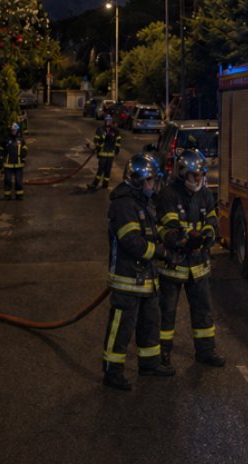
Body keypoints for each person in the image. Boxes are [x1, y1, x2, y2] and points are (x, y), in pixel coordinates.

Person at [101, 153, 175, 391]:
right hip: (127, 280)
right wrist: (159, 252)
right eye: (151, 181)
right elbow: (131, 242)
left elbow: (150, 233)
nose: (153, 186)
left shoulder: (143, 203)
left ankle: (150, 364)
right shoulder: (123, 205)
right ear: (138, 180)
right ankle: (112, 372)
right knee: (121, 328)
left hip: (146, 280)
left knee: (150, 324)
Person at [155, 149, 226, 368]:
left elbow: (212, 223)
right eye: (195, 175)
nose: (199, 179)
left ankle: (205, 352)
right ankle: (162, 355)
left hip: (198, 266)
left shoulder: (205, 194)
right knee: (166, 314)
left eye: (201, 175)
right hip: (173, 266)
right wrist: (184, 239)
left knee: (203, 312)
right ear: (182, 173)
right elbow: (168, 229)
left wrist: (207, 237)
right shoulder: (168, 195)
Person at [88, 115, 121, 192]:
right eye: (107, 121)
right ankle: (94, 184)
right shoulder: (100, 130)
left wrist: (116, 150)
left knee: (108, 170)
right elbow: (96, 140)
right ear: (105, 121)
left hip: (110, 155)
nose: (108, 123)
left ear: (111, 122)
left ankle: (105, 184)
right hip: (102, 154)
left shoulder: (115, 131)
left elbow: (118, 141)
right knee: (100, 170)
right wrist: (99, 145)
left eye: (110, 121)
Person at [1, 122, 27, 200]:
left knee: (19, 181)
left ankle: (19, 195)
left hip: (19, 164)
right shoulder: (6, 140)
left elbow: (25, 149)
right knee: (8, 180)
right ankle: (7, 195)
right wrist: (1, 160)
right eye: (13, 130)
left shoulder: (21, 140)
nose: (14, 131)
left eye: (15, 130)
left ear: (18, 130)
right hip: (8, 164)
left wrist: (23, 156)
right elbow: (1, 150)